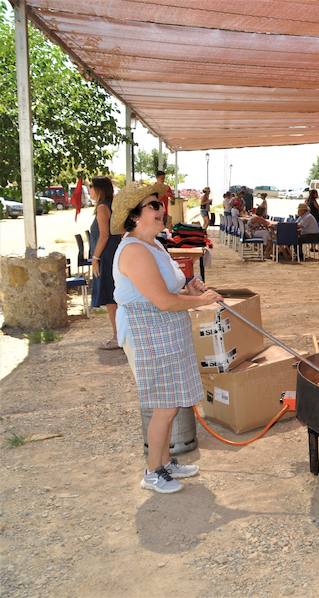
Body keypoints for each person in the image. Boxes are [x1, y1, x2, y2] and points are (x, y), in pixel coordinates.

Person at [111, 182, 222, 493]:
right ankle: (152, 471)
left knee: (172, 402)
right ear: (134, 217)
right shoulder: (134, 250)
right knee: (164, 404)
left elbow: (173, 289)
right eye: (153, 206)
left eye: (160, 205)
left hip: (165, 328)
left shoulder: (154, 244)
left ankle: (164, 461)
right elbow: (161, 300)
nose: (161, 210)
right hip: (148, 331)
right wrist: (201, 301)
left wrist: (192, 288)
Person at [89, 176, 123, 350]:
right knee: (113, 298)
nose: (89, 190)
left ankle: (118, 337)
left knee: (111, 300)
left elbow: (104, 235)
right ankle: (119, 335)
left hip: (107, 257)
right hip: (112, 254)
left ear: (99, 189)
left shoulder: (103, 208)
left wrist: (95, 258)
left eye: (91, 187)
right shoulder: (112, 205)